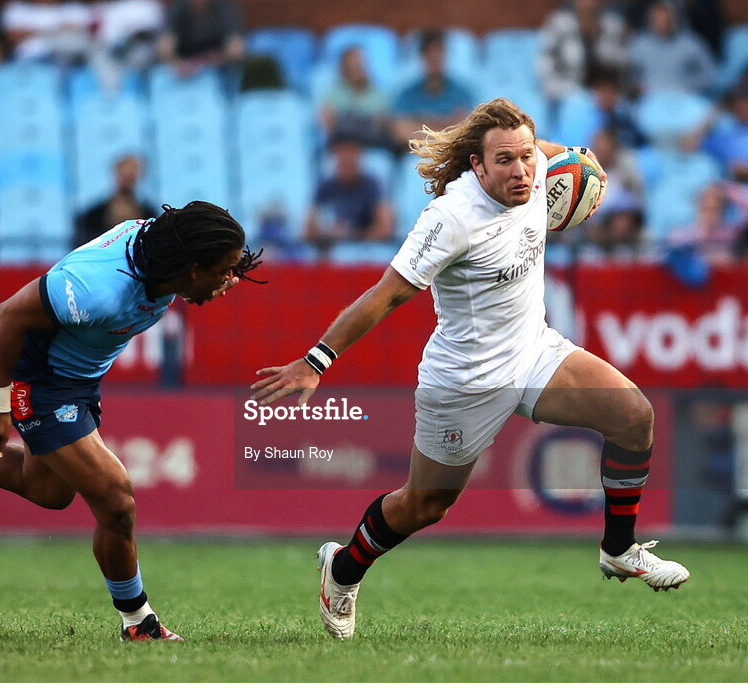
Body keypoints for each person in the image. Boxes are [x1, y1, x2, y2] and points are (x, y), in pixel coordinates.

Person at [252, 98, 690, 640]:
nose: (521, 170)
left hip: (533, 351)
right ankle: (341, 570)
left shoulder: (536, 167)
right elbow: (386, 295)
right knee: (426, 503)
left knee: (633, 415)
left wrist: (585, 170)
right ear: (477, 166)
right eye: (503, 161)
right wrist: (316, 360)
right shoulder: (451, 218)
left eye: (526, 157)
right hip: (464, 381)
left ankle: (619, 548)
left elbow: (573, 158)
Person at [0, 202, 263, 641]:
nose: (230, 279)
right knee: (116, 501)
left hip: (77, 381)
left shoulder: (165, 260)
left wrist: (214, 276)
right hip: (38, 381)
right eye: (225, 270)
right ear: (194, 268)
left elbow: (191, 265)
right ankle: (139, 623)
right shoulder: (96, 288)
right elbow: (7, 316)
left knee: (48, 491)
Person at [304, 134, 394, 253]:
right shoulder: (325, 184)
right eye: (341, 152)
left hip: (365, 250)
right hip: (331, 249)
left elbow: (385, 228)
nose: (346, 157)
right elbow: (308, 230)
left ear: (360, 156)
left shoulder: (372, 184)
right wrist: (328, 233)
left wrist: (351, 235)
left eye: (352, 152)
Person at [390, 30, 475, 147]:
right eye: (430, 55)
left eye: (439, 54)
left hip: (452, 152)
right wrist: (446, 123)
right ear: (422, 58)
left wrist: (421, 121)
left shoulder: (462, 92)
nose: (435, 59)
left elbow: (465, 129)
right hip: (415, 154)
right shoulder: (407, 93)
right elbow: (400, 130)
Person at [536, 0, 629, 101]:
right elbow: (544, 67)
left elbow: (620, 66)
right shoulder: (559, 24)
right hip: (566, 92)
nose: (589, 4)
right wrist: (573, 93)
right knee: (579, 104)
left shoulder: (611, 26)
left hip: (604, 95)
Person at [628, 0, 716, 94]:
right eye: (657, 19)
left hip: (684, 98)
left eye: (666, 19)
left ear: (676, 18)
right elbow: (628, 75)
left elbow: (710, 75)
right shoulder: (639, 44)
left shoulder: (691, 43)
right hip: (649, 99)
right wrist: (638, 86)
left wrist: (687, 86)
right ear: (650, 20)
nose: (661, 24)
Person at [74, 154, 157, 247]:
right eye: (125, 174)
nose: (129, 178)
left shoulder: (149, 215)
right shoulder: (91, 217)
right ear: (116, 173)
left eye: (132, 175)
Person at [320, 46, 391, 150]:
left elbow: (381, 127)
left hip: (371, 148)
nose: (357, 69)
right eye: (352, 65)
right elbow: (329, 128)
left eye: (360, 64)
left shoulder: (379, 95)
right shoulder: (333, 95)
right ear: (343, 68)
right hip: (342, 150)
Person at [158, 0, 244, 78]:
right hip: (185, 64)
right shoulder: (178, 8)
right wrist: (178, 64)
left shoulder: (225, 8)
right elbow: (165, 47)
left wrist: (222, 58)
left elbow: (236, 48)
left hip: (218, 67)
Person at [1, 0, 94, 67]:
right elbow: (13, 38)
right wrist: (59, 30)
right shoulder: (16, 8)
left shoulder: (74, 8)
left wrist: (32, 32)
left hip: (69, 61)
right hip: (30, 61)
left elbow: (81, 37)